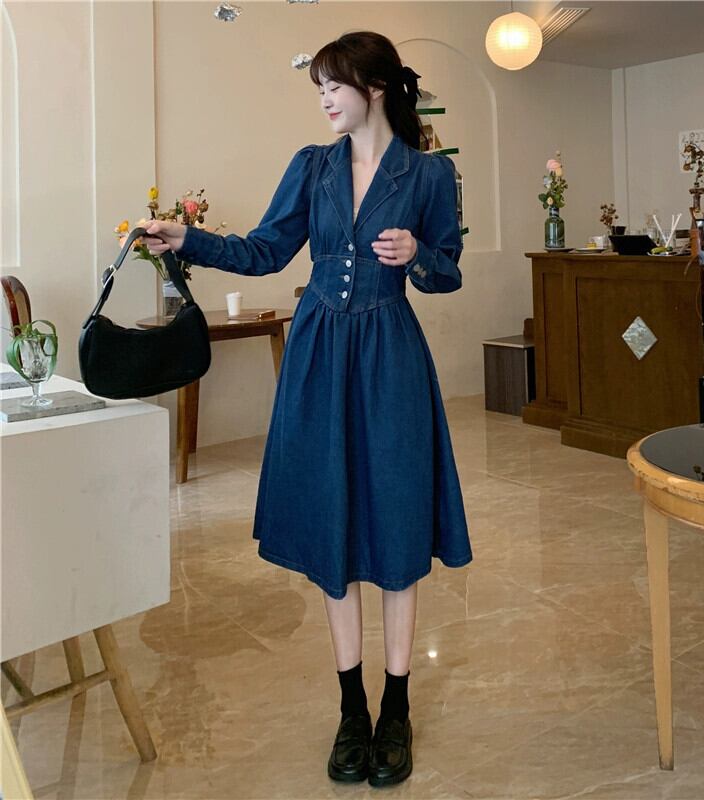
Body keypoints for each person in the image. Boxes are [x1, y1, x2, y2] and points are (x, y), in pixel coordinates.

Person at [143, 30, 472, 788]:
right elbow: (263, 250)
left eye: (334, 84)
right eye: (318, 86)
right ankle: (351, 709)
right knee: (332, 518)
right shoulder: (312, 166)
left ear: (374, 88)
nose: (324, 98)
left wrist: (418, 256)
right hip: (319, 353)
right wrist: (186, 237)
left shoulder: (428, 173)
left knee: (395, 516)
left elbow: (448, 271)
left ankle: (396, 708)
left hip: (390, 356)